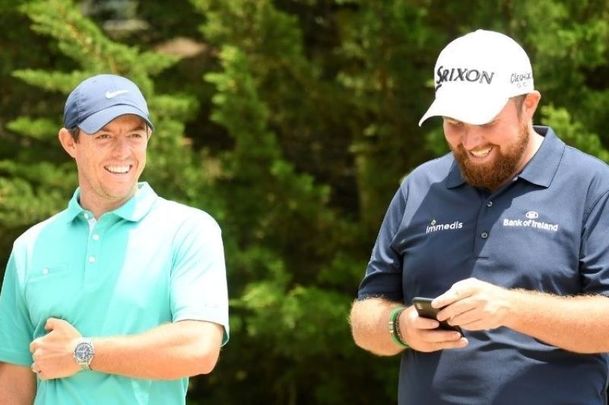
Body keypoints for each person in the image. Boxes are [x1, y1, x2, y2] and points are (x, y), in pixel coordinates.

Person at [350, 29, 609, 404]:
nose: (471, 142)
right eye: (454, 123)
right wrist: (400, 326)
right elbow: (365, 316)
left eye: (486, 120)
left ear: (529, 104)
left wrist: (510, 308)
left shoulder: (592, 186)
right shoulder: (419, 187)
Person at [0, 74, 229, 404]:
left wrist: (83, 352)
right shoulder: (29, 248)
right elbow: (14, 383)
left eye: (135, 135)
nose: (123, 152)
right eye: (104, 136)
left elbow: (198, 347)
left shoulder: (190, 231)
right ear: (70, 142)